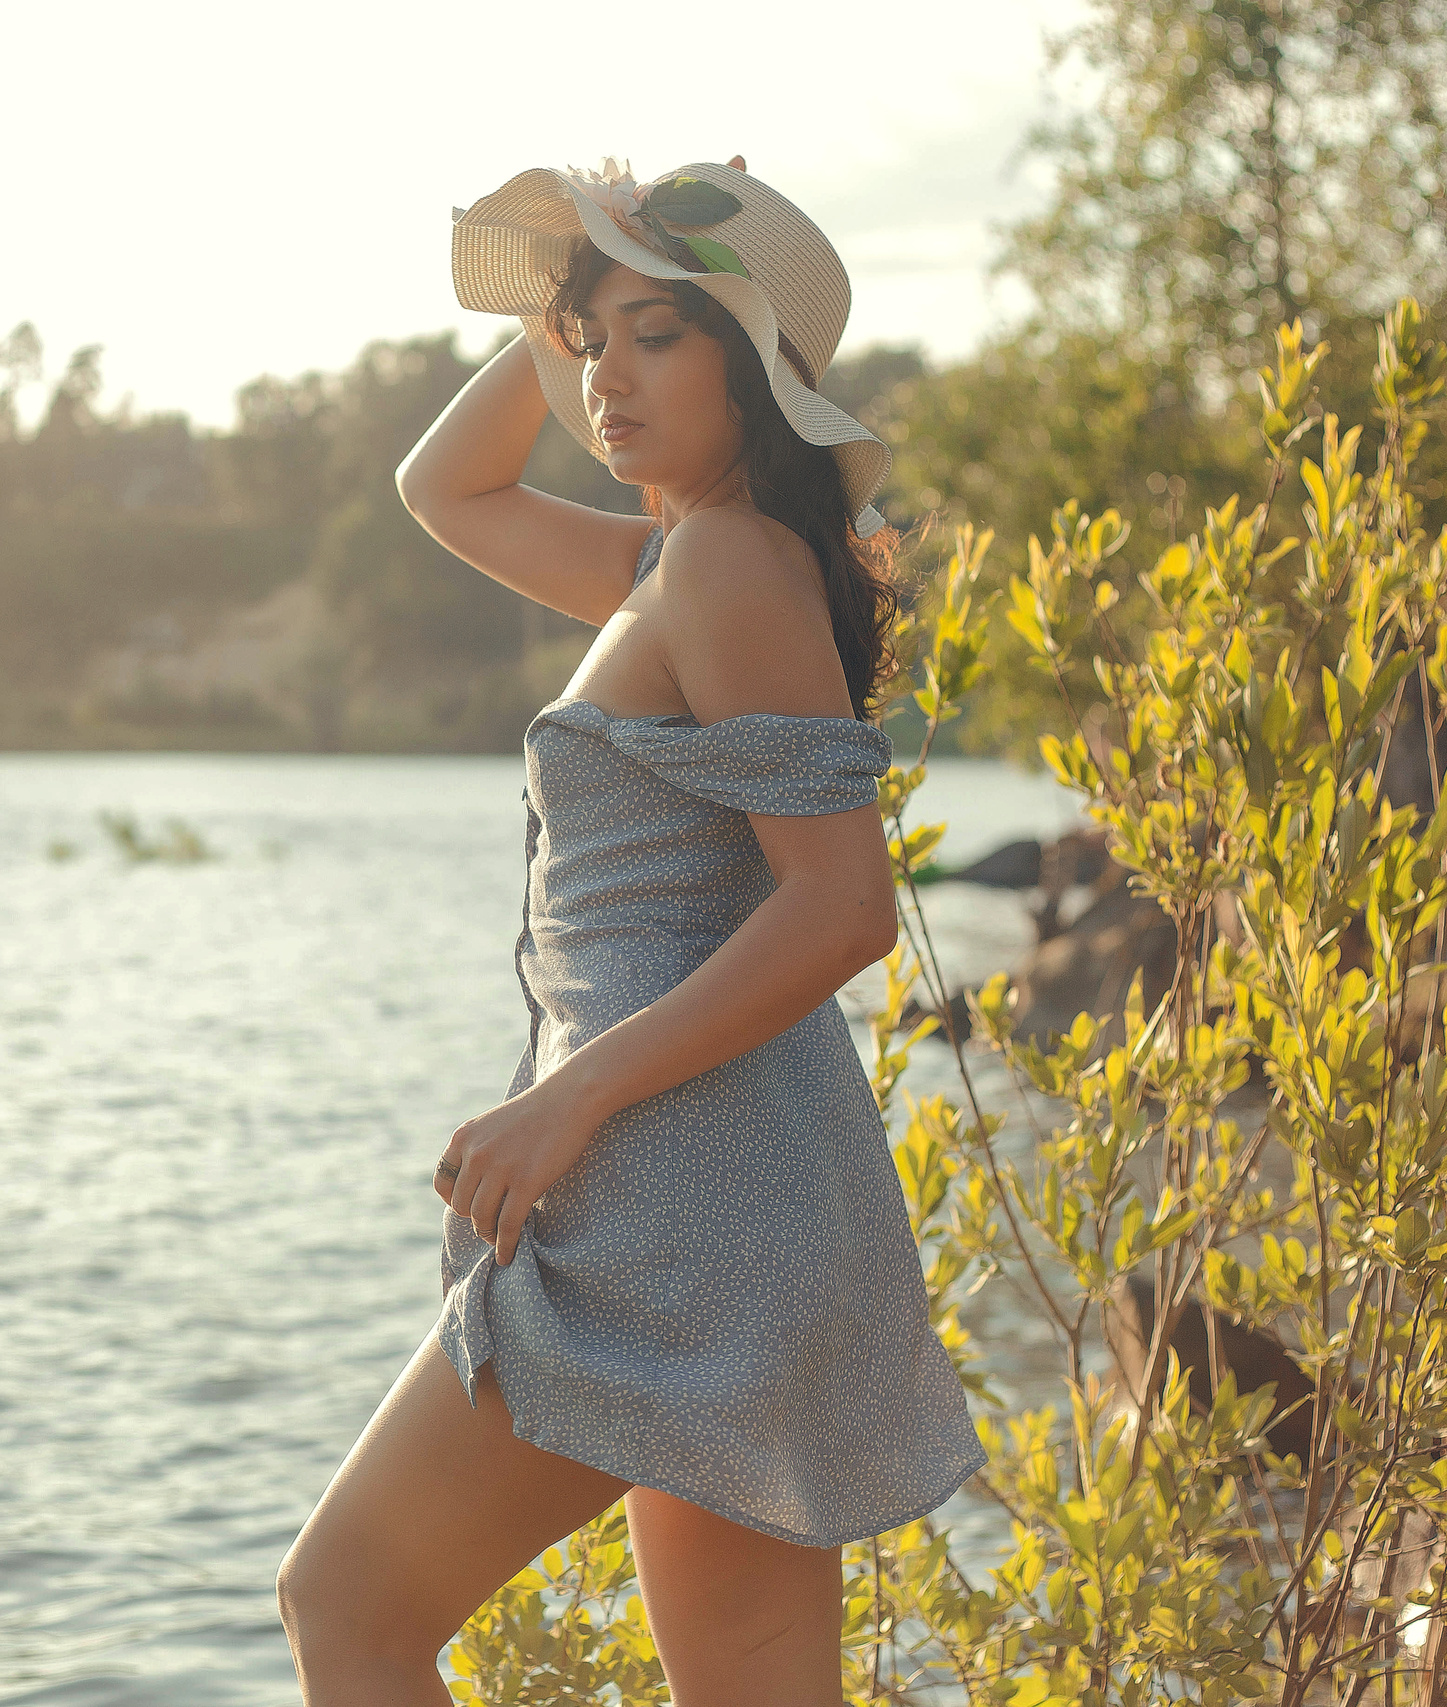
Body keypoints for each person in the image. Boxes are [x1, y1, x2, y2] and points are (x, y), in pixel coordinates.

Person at [275, 158, 984, 1706]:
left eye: (658, 333)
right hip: (745, 1209)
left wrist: (567, 1097)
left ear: (753, 364)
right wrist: (571, 277)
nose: (605, 371)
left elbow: (844, 906)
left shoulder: (724, 565)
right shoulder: (669, 564)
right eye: (591, 340)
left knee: (350, 1609)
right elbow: (440, 490)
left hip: (676, 1209)